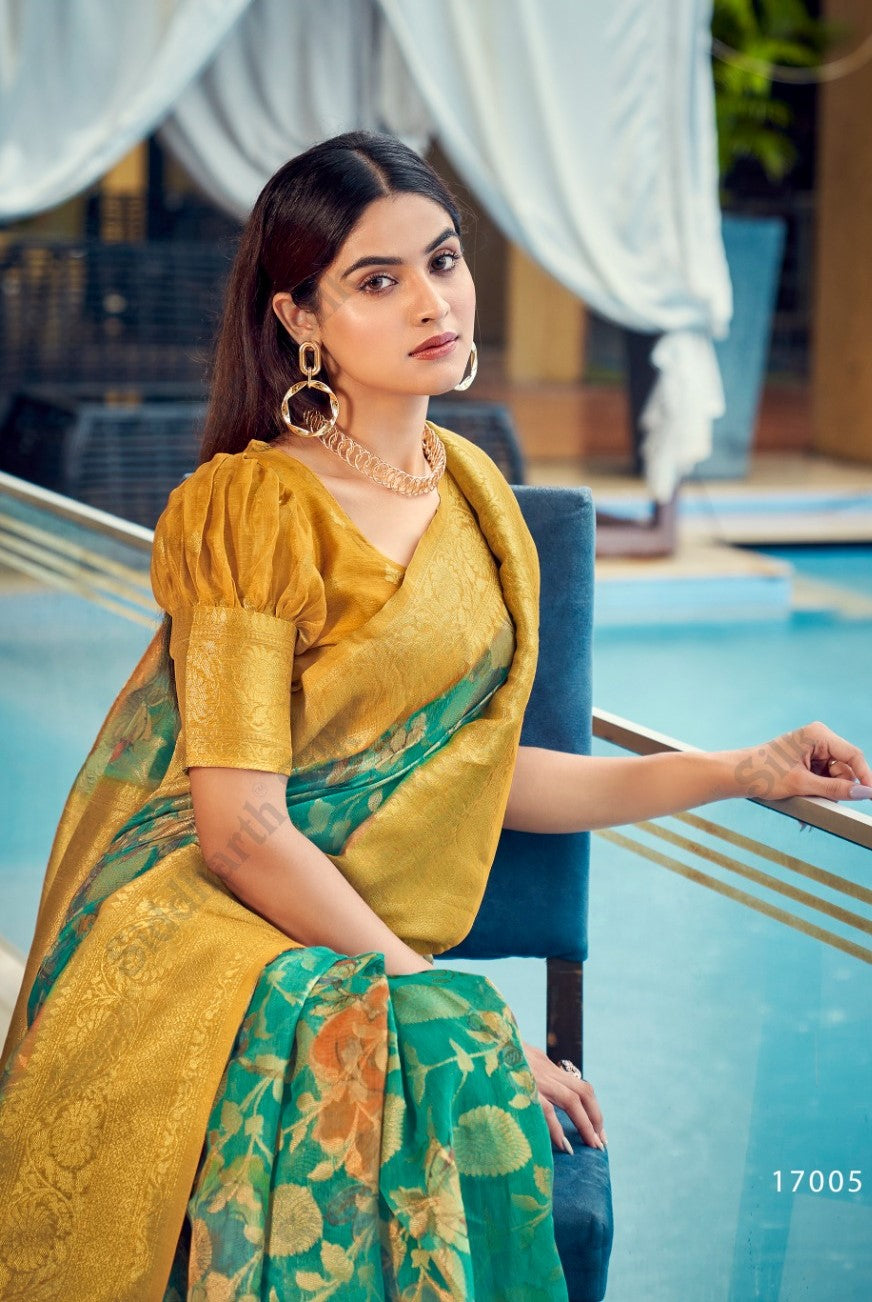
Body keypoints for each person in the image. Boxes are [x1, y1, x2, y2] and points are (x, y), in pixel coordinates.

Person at [0, 130, 869, 1301]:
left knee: (439, 1049)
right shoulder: (254, 510)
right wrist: (435, 995)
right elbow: (241, 829)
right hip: (208, 923)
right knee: (452, 1047)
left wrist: (740, 770)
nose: (432, 301)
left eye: (444, 262)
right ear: (300, 318)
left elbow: (485, 776)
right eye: (377, 279)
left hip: (335, 925)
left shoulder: (479, 503)